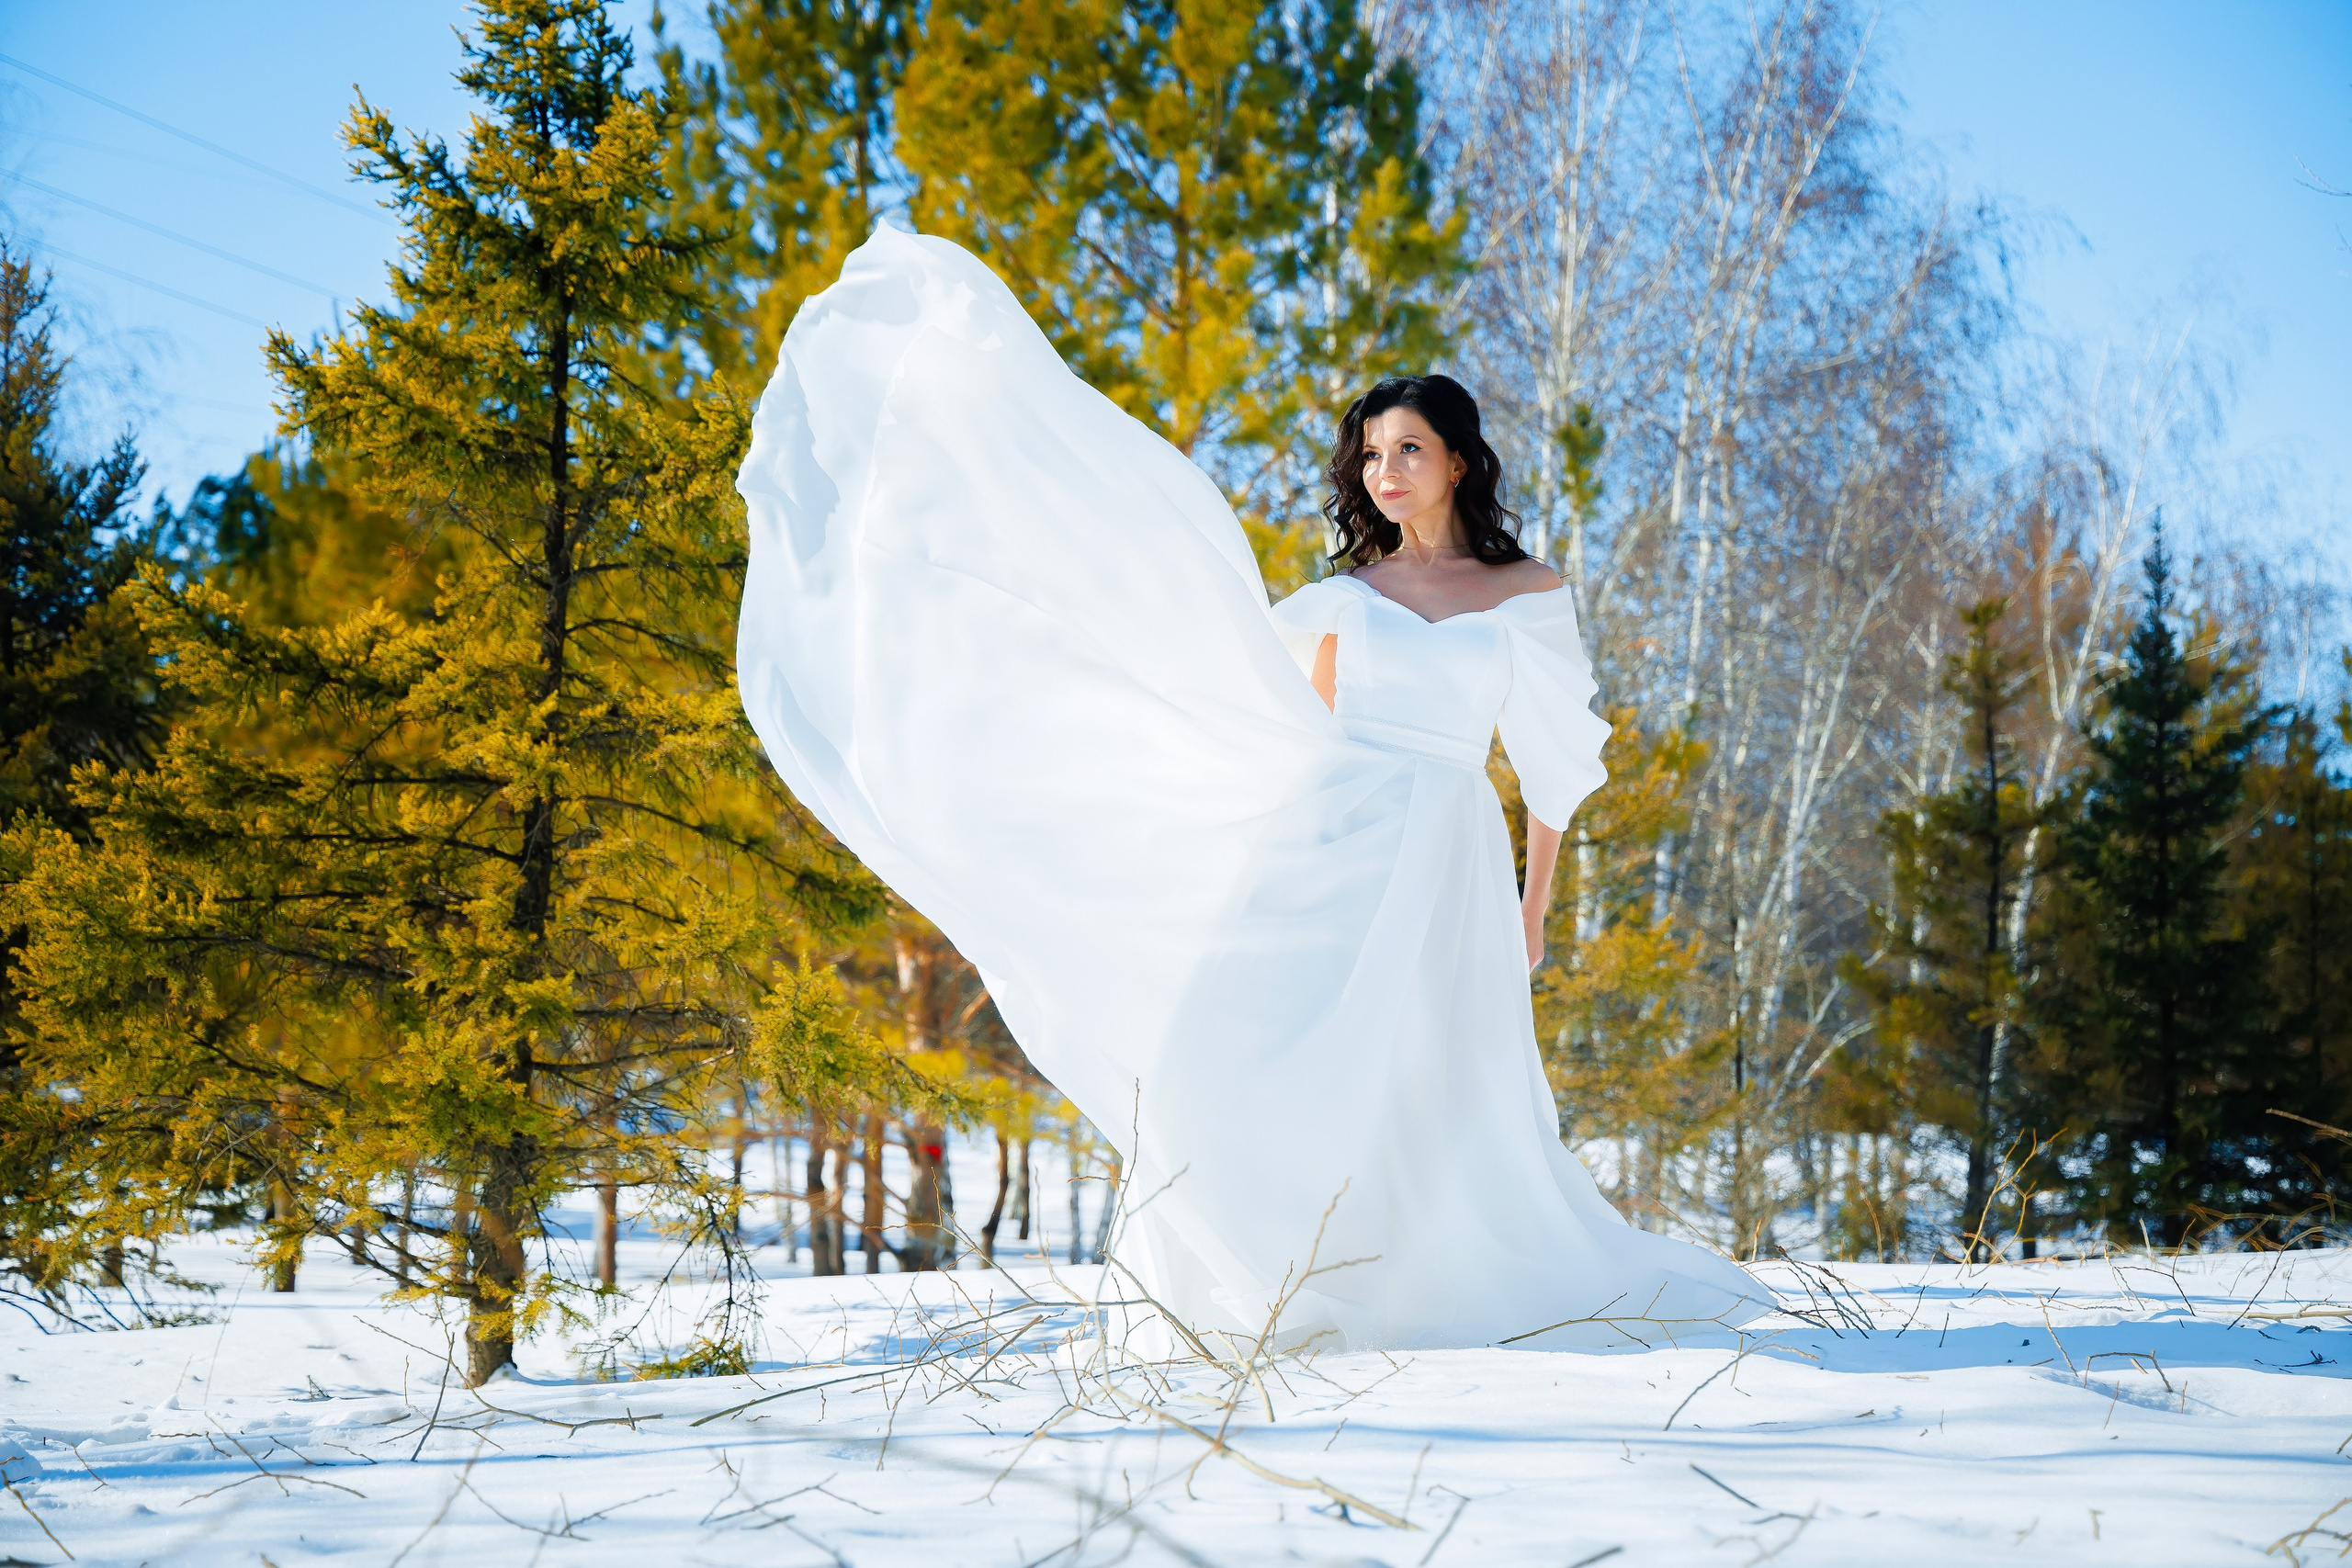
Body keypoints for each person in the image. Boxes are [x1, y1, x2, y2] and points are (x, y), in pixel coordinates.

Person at [735, 224, 1769, 1353]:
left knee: (1437, 1075)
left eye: (1409, 450)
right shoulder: (1342, 600)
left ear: (1459, 460)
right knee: (1225, 1044)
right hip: (1335, 836)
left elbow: (1556, 764)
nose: (1385, 472)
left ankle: (1429, 1285)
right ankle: (1245, 1282)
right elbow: (1279, 727)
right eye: (1372, 455)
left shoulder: (1525, 593)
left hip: (1451, 850)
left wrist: (1531, 911)